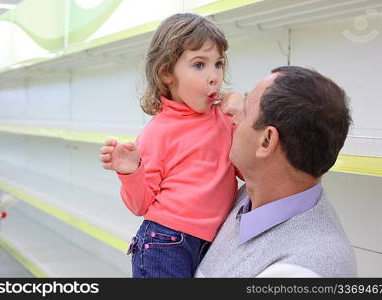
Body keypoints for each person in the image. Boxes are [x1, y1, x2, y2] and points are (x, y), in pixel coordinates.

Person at [99, 13, 243, 278]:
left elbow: (248, 172)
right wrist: (131, 172)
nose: (214, 77)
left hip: (213, 242)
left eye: (219, 64)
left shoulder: (225, 118)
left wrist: (244, 118)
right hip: (164, 243)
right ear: (166, 72)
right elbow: (140, 206)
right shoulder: (158, 132)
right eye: (199, 65)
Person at [195, 66, 357, 277]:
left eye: (246, 108)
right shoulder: (246, 196)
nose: (232, 115)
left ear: (267, 141)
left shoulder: (305, 269)